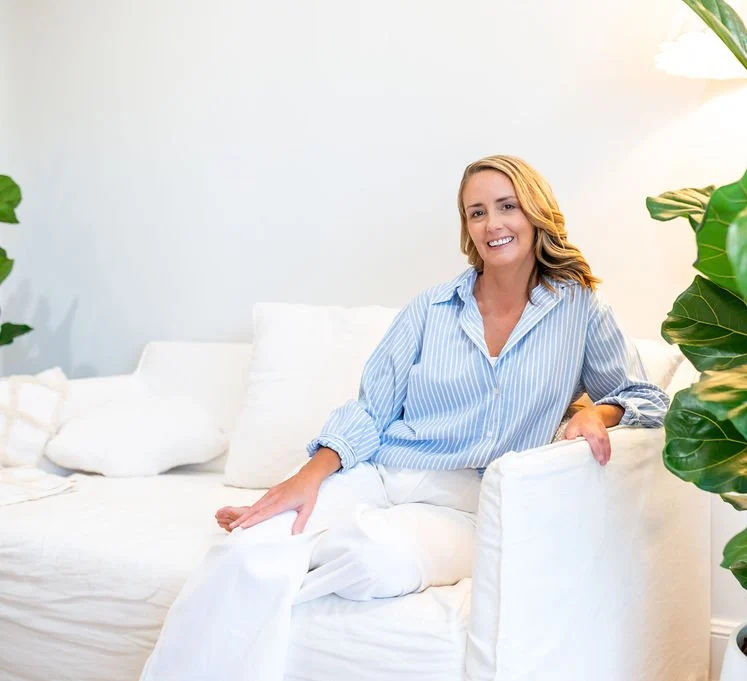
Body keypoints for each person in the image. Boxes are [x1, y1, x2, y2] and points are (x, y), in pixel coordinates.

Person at [139, 155, 669, 681]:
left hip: (473, 503)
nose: (493, 224)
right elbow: (372, 408)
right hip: (387, 473)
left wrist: (596, 412)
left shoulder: (579, 308)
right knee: (249, 546)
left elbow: (642, 394)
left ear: (536, 214)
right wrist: (307, 477)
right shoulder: (430, 308)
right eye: (476, 212)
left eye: (507, 207)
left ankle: (296, 560)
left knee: (369, 557)